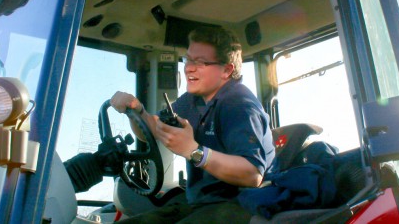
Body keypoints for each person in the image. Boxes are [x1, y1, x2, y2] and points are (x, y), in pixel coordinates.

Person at [109, 27, 275, 223]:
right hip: (200, 204)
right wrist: (137, 111)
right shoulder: (192, 100)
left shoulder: (239, 106)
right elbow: (152, 131)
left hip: (242, 205)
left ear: (226, 70)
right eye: (188, 60)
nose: (188, 68)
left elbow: (252, 174)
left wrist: (194, 151)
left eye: (201, 62)